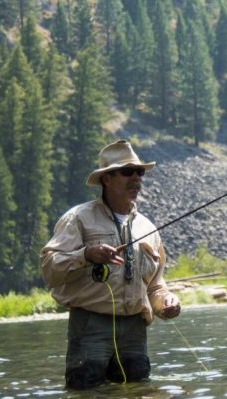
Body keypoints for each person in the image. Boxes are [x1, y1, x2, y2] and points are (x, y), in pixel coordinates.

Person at [40, 139, 181, 389]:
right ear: (107, 178)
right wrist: (86, 254)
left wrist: (166, 304)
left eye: (139, 172)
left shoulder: (148, 228)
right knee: (86, 390)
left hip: (135, 331)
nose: (136, 178)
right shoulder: (78, 219)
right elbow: (50, 269)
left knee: (139, 390)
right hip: (91, 327)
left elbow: (155, 286)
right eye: (127, 172)